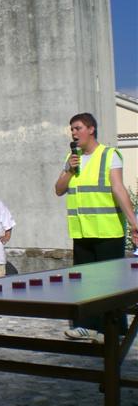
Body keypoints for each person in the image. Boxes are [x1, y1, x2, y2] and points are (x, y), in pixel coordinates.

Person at [55, 112, 138, 342]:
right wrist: (69, 170)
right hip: (82, 231)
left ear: (91, 129)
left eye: (78, 128)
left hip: (108, 230)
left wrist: (134, 223)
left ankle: (113, 329)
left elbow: (118, 188)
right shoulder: (72, 158)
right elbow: (59, 189)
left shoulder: (109, 155)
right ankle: (86, 326)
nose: (73, 133)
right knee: (84, 281)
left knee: (110, 284)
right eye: (72, 129)